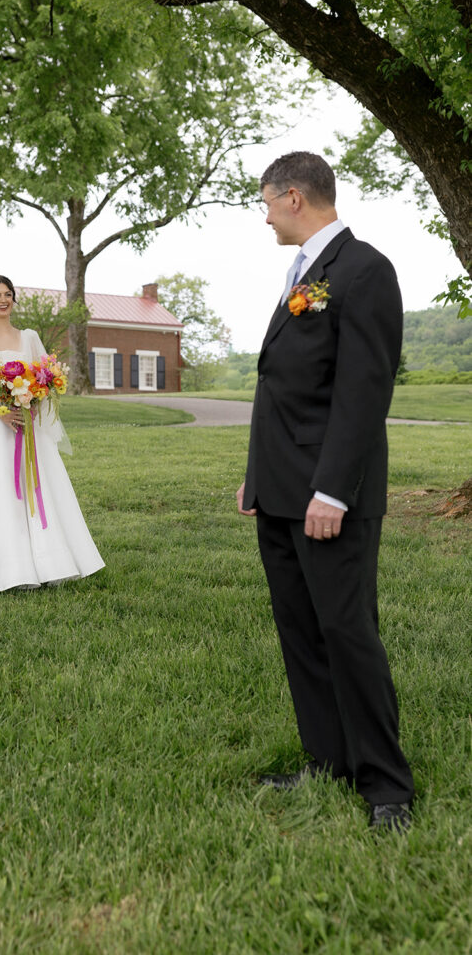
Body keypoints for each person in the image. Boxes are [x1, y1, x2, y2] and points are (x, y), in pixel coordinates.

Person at [237, 152, 414, 833]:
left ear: (290, 197)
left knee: (346, 632)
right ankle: (328, 759)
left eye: (264, 203)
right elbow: (282, 386)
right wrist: (257, 476)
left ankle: (386, 784)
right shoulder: (303, 274)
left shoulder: (364, 270)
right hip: (280, 491)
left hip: (327, 498)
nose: (263, 216)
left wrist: (332, 492)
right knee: (301, 633)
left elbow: (362, 394)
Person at [0, 274, 105, 592]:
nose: (3, 299)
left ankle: (48, 561)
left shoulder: (29, 337)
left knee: (37, 488)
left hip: (26, 426)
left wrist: (32, 402)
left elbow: (43, 376)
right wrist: (0, 411)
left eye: (8, 294)